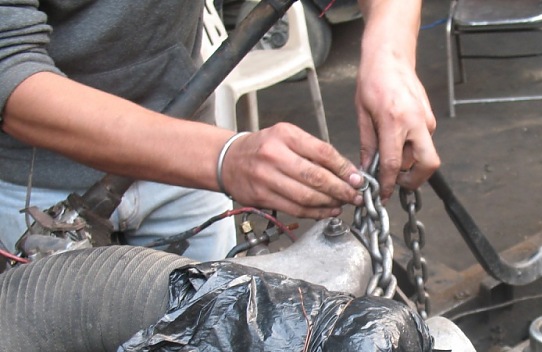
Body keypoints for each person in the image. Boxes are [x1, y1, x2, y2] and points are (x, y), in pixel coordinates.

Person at [0, 0, 440, 261]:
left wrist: (390, 54)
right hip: (35, 185)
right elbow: (8, 67)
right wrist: (223, 156)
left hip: (185, 161)